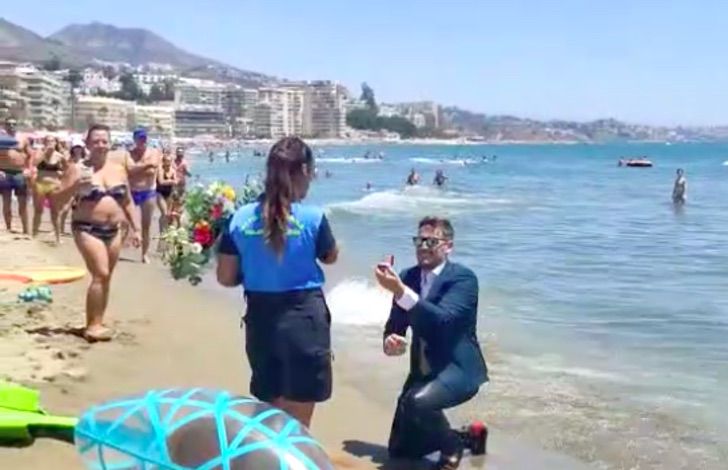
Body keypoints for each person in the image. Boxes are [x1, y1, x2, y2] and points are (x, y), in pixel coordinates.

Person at [216, 136, 339, 429]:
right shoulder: (313, 217)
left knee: (269, 411)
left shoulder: (239, 219)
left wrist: (257, 267)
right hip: (305, 321)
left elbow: (225, 277)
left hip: (261, 319)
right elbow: (330, 257)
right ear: (306, 171)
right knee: (299, 420)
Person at [375, 216, 488, 470]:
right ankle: (468, 436)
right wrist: (392, 341)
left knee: (416, 403)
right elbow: (395, 325)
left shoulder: (463, 280)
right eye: (419, 240)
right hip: (421, 372)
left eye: (431, 241)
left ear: (448, 246)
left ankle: (452, 446)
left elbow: (442, 320)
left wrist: (400, 291)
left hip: (457, 370)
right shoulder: (408, 277)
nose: (423, 246)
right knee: (401, 451)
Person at [55, 124, 141, 342]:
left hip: (115, 230)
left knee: (106, 277)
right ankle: (92, 326)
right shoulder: (78, 169)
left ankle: (98, 320)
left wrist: (136, 229)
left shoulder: (119, 170)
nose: (101, 145)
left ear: (110, 143)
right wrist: (74, 186)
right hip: (87, 228)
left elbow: (128, 201)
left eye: (104, 141)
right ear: (87, 144)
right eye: (96, 141)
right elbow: (56, 200)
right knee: (100, 273)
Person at [127, 128, 161, 263]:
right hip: (132, 191)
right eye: (140, 138)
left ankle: (144, 254)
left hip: (148, 192)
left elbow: (152, 171)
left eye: (144, 138)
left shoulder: (154, 152)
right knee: (124, 221)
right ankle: (128, 240)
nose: (142, 141)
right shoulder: (129, 154)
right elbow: (129, 171)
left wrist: (137, 168)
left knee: (146, 225)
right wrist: (145, 165)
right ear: (134, 140)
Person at [0, 117, 34, 234]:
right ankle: (9, 228)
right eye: (9, 124)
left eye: (14, 124)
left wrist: (29, 169)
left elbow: (31, 155)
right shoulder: (1, 138)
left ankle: (26, 230)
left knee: (23, 203)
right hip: (4, 172)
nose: (11, 126)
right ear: (4, 125)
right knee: (6, 202)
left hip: (19, 173)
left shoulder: (22, 138)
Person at [31, 134, 66, 244]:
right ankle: (34, 234)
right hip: (40, 184)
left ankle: (58, 237)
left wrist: (61, 173)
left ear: (56, 143)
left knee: (55, 212)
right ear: (44, 142)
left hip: (54, 185)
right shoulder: (40, 153)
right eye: (47, 141)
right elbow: (34, 163)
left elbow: (67, 169)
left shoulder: (59, 156)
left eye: (52, 141)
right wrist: (45, 153)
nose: (50, 143)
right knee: (38, 210)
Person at [59, 139, 86, 235]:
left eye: (79, 148)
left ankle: (75, 230)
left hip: (82, 188)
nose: (77, 150)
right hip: (70, 188)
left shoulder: (85, 161)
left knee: (78, 211)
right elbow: (62, 170)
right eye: (76, 148)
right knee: (65, 209)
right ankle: (60, 229)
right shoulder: (69, 160)